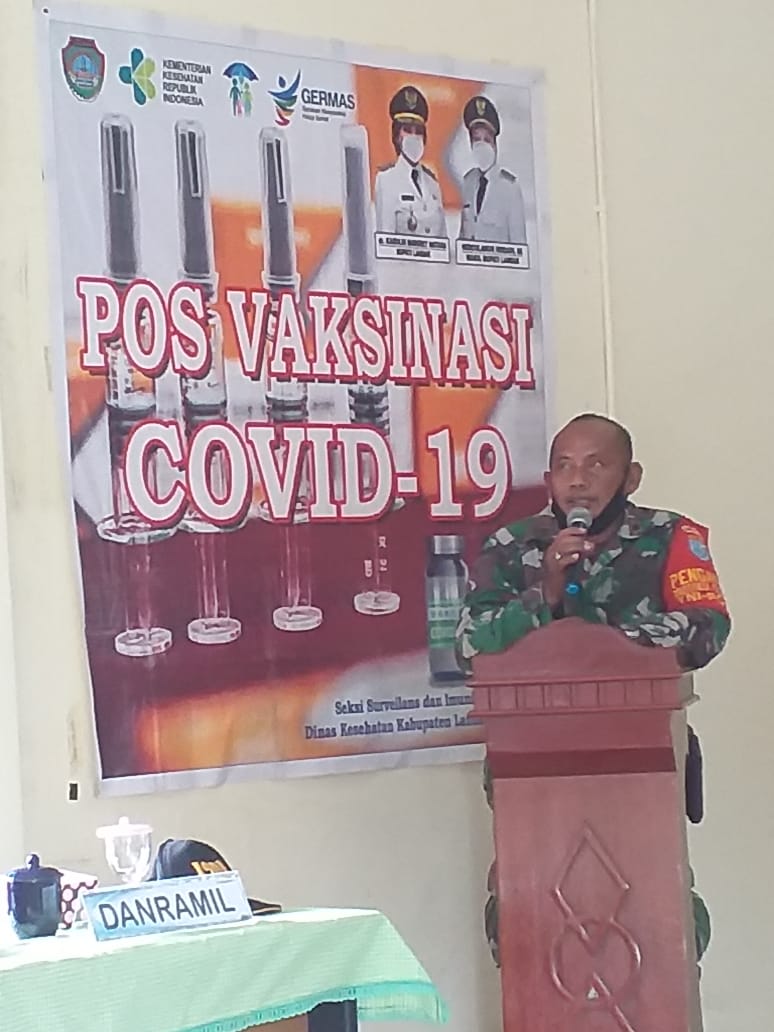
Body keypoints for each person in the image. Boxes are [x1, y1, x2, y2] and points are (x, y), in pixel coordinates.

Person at [456, 412, 730, 968]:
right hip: (531, 767)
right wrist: (546, 595)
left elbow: (707, 625)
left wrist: (608, 648)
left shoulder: (671, 537)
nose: (577, 480)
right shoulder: (511, 546)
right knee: (526, 922)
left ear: (631, 477)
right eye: (564, 466)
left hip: (644, 760)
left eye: (596, 465)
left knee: (660, 916)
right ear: (549, 480)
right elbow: (470, 645)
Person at [374, 85, 447, 238]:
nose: (414, 137)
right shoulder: (386, 180)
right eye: (407, 130)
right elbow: (385, 239)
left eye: (418, 131)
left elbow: (443, 238)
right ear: (397, 136)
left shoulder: (432, 183)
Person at [458, 95, 527, 245]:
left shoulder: (510, 188)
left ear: (495, 144)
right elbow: (463, 236)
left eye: (487, 140)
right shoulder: (468, 181)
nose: (481, 145)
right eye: (476, 140)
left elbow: (519, 244)